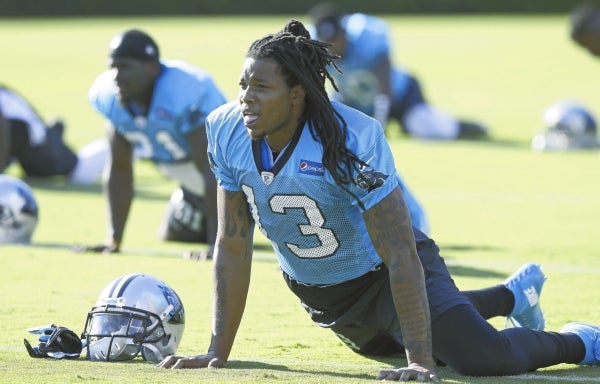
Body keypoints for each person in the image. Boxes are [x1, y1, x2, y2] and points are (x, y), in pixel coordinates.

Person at [157, 20, 600, 381]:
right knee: (423, 338)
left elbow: (401, 253)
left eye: (261, 87)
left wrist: (421, 362)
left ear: (297, 95)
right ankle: (510, 296)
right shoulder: (226, 128)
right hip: (322, 293)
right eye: (243, 83)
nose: (245, 97)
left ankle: (581, 340)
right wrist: (218, 350)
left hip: (385, 273)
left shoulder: (349, 138)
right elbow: (233, 245)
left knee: (478, 357)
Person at [84, 29, 227, 254]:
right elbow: (119, 169)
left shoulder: (185, 93)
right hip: (191, 182)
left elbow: (216, 172)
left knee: (246, 226)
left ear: (151, 68)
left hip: (235, 179)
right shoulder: (112, 98)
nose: (116, 75)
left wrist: (217, 247)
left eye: (124, 67)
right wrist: (114, 240)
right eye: (112, 66)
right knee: (173, 233)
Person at [307, 3, 489, 141]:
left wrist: (381, 120)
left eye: (336, 40)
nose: (333, 47)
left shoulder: (366, 38)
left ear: (344, 32)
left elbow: (384, 81)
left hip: (399, 97)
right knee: (331, 128)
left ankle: (462, 126)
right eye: (327, 42)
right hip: (357, 102)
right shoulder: (316, 50)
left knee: (424, 127)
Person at [0, 85, 107, 184]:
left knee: (77, 171)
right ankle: (54, 133)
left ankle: (117, 148)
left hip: (39, 146)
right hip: (27, 137)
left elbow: (8, 128)